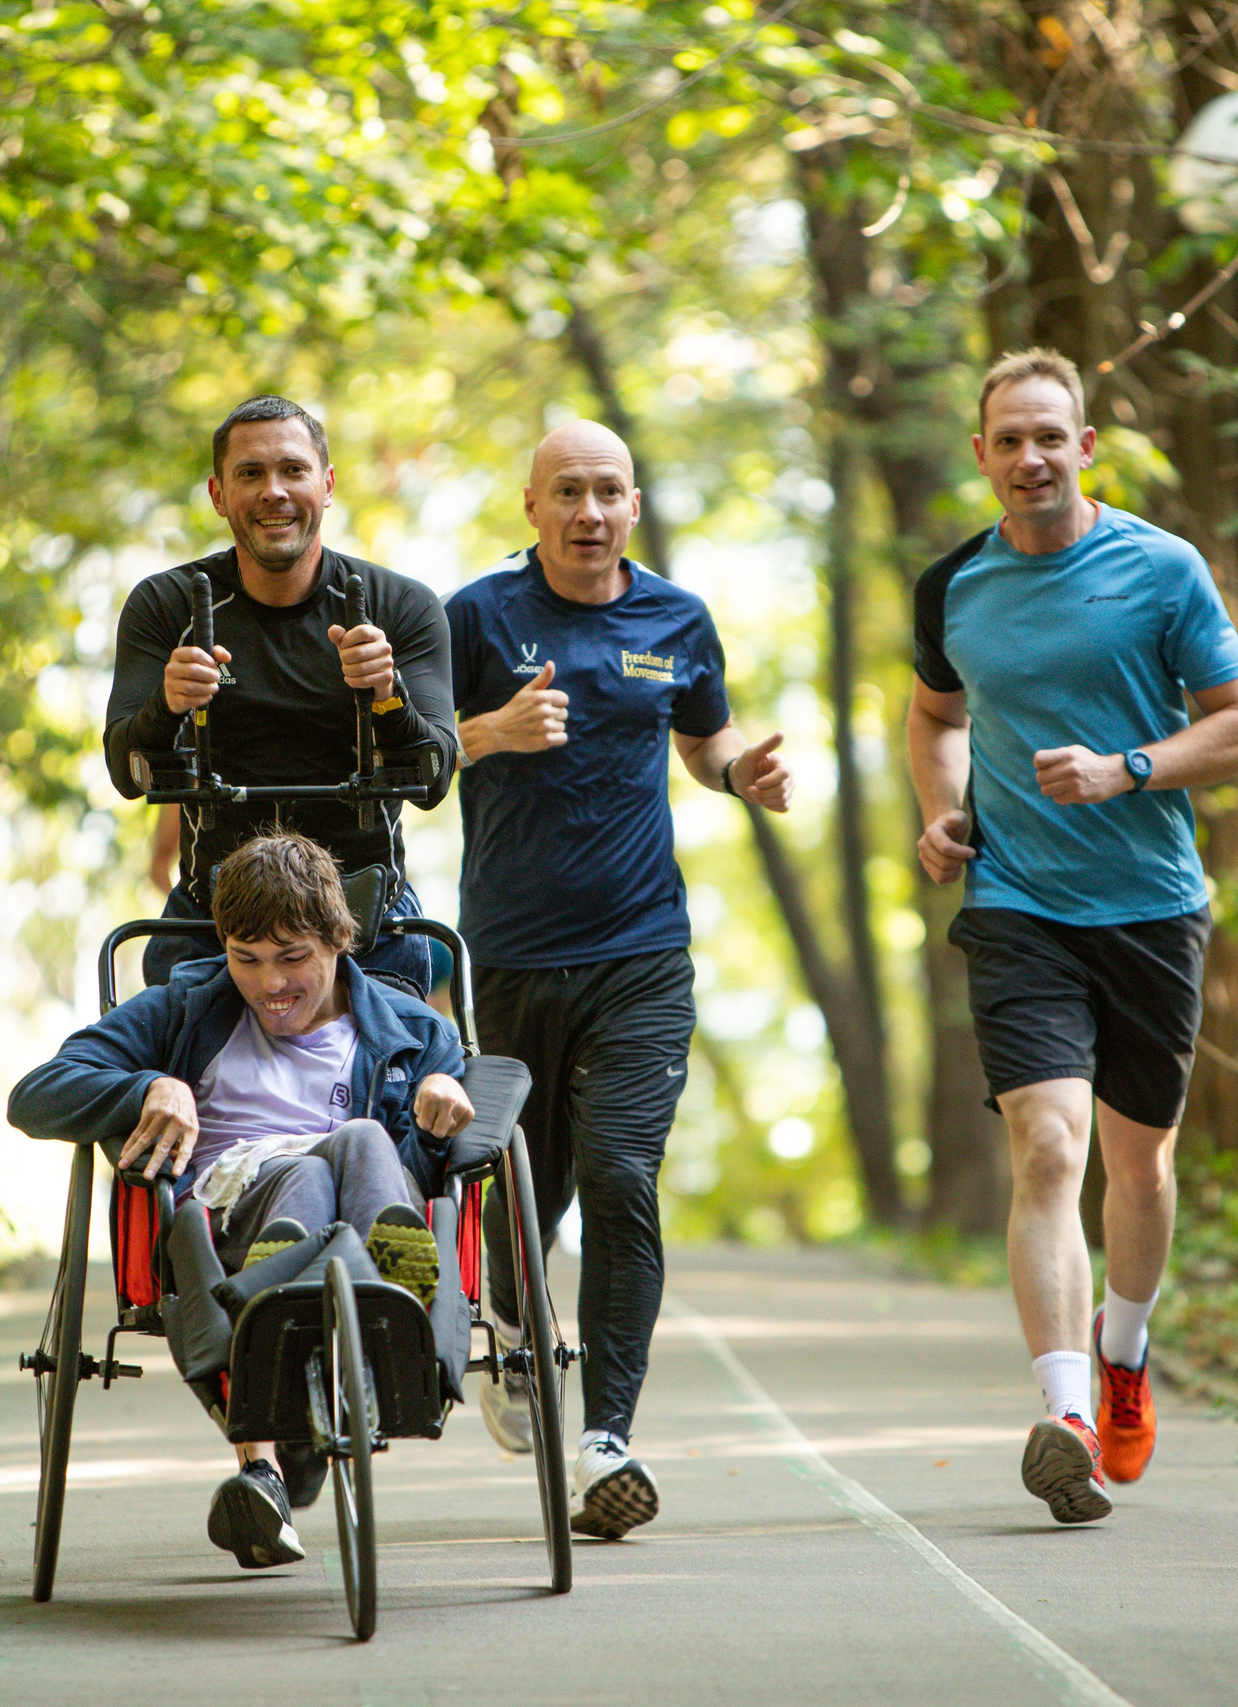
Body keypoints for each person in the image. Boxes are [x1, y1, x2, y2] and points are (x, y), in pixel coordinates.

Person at [906, 349, 1238, 1526]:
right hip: (1017, 906)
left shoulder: (1160, 570)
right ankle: (1065, 1415)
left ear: (1085, 447)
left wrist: (1127, 769)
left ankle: (1123, 1350)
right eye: (1008, 440)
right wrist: (941, 811)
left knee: (1138, 1166)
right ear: (982, 455)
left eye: (1048, 437)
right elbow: (933, 715)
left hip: (1150, 905)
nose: (1030, 458)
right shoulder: (952, 587)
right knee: (1048, 1147)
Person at [445, 420, 792, 1540]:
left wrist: (740, 774)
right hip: (509, 959)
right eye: (567, 492)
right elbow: (410, 757)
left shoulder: (676, 619)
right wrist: (492, 731)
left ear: (633, 505)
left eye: (607, 492)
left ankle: (606, 1437)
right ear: (532, 507)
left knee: (621, 1173)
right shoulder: (475, 618)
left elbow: (703, 739)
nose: (588, 512)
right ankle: (513, 1328)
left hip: (641, 954)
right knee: (526, 1196)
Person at [6, 833, 475, 1570]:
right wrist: (149, 1087)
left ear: (340, 939)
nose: (269, 984)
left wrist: (445, 1095)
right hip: (233, 1233)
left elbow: (464, 1132)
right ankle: (287, 1320)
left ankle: (390, 1291)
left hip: (365, 1223)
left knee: (359, 1140)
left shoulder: (415, 1032)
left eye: (292, 958)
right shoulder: (185, 1008)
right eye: (245, 958)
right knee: (302, 1174)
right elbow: (35, 1095)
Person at [105, 394, 460, 991]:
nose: (274, 491)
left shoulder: (400, 606)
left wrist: (387, 693)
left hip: (367, 922)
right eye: (250, 474)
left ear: (327, 485)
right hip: (212, 923)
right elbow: (126, 770)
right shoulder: (165, 606)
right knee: (141, 1046)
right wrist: (166, 706)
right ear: (218, 494)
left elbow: (434, 778)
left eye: (293, 470)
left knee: (416, 1048)